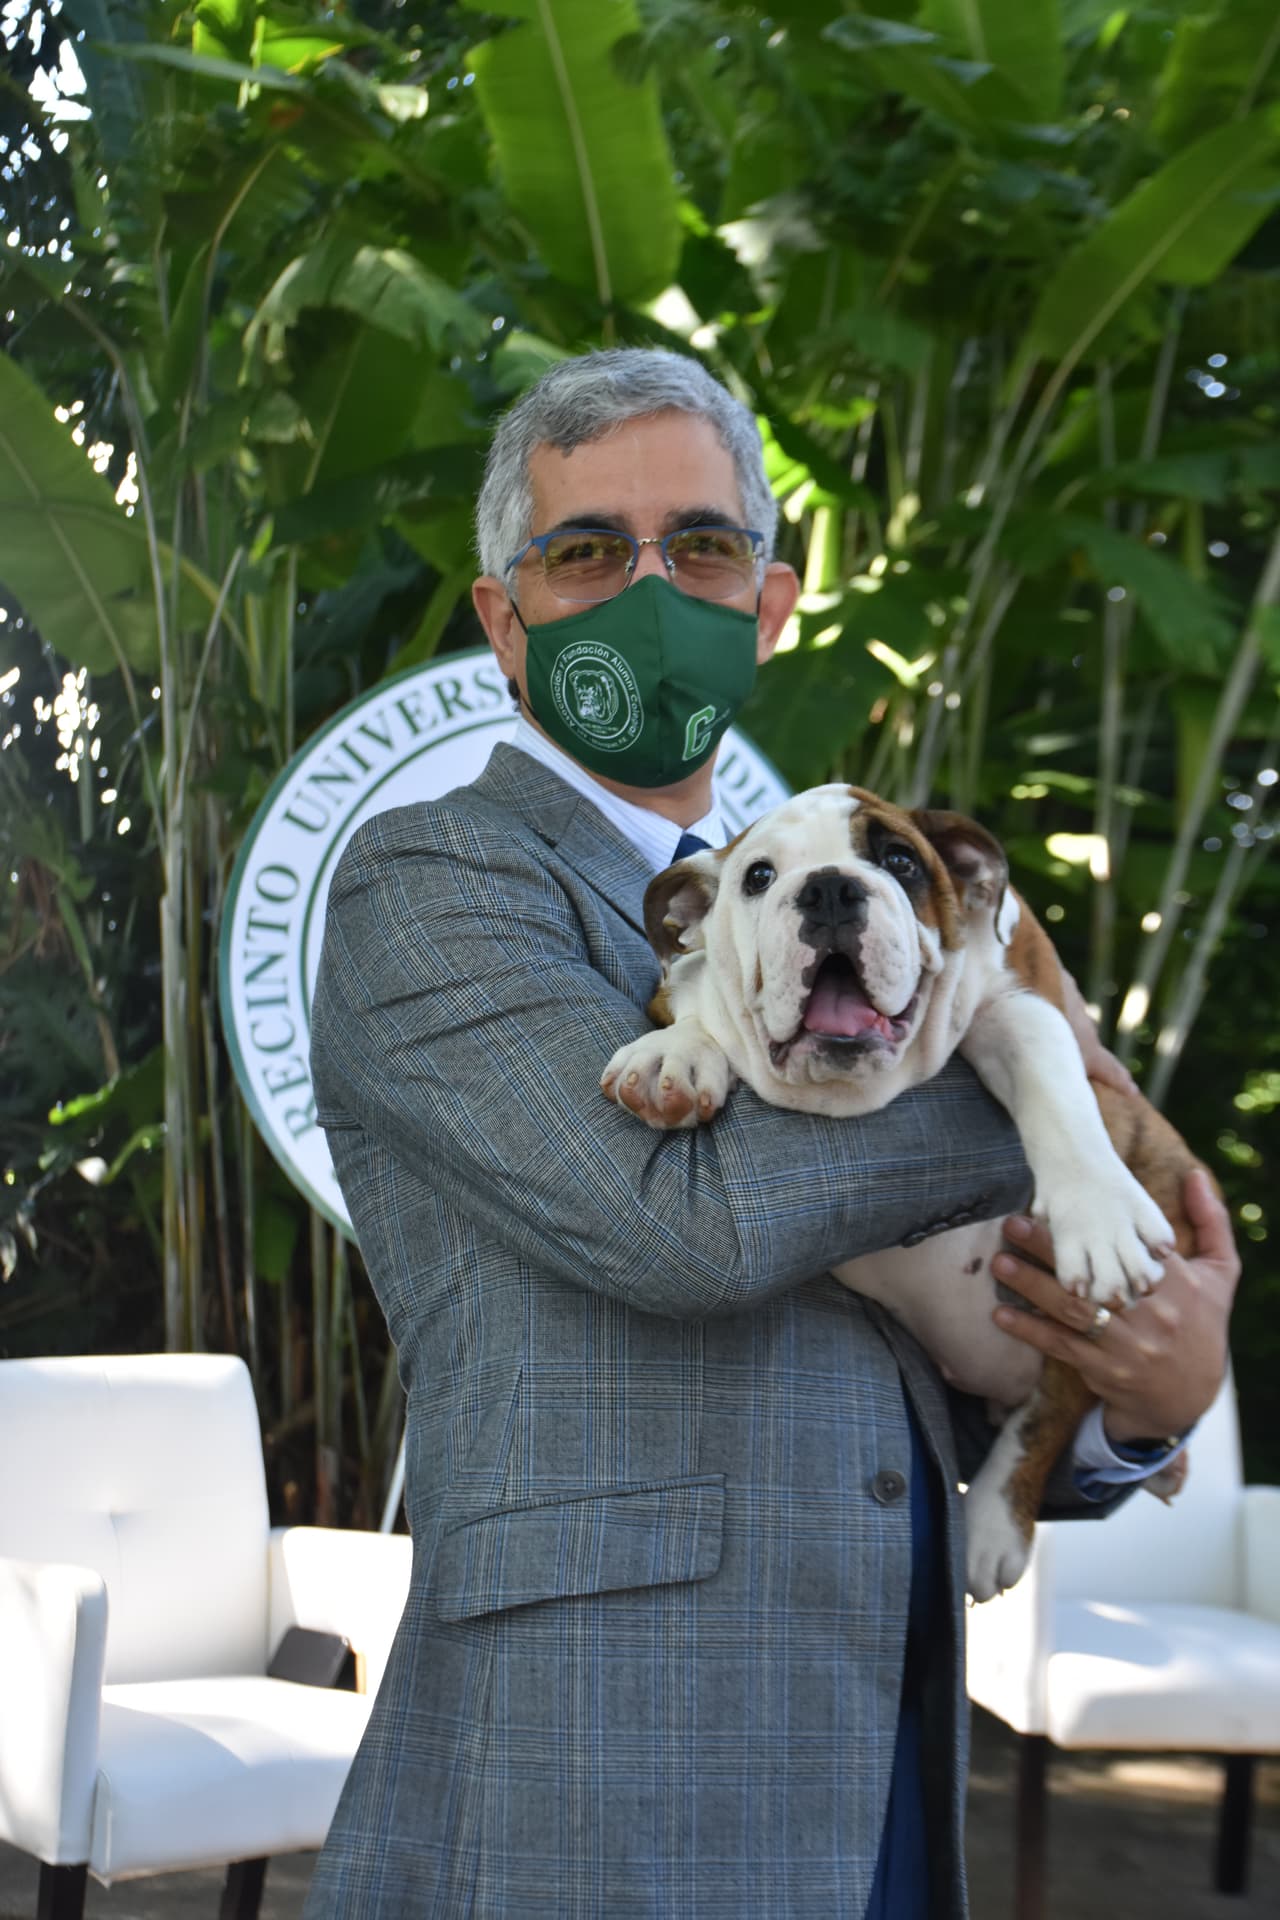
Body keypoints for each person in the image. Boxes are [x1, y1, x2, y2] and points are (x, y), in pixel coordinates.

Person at [304, 349, 1237, 1919]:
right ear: (504, 616)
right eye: (589, 549)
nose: (652, 587)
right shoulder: (433, 881)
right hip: (604, 1750)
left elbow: (939, 1362)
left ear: (773, 603)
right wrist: (1039, 1073)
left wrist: (1152, 1394)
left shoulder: (867, 889)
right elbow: (685, 1223)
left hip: (878, 1724)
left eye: (705, 548)